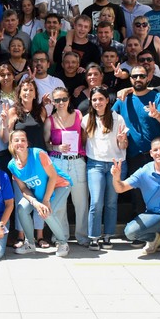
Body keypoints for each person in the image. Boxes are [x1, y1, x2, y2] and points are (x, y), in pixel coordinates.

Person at [111, 66, 160, 208]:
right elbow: (108, 119)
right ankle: (144, 227)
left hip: (156, 155)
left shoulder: (157, 96)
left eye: (142, 76)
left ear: (148, 78)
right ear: (130, 79)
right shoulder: (123, 99)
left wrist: (157, 115)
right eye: (135, 76)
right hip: (133, 154)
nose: (138, 79)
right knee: (137, 194)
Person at [7, 129, 72, 257]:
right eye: (16, 140)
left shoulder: (38, 154)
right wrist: (35, 202)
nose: (20, 143)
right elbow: (23, 189)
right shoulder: (12, 165)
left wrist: (45, 201)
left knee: (46, 212)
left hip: (59, 185)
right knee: (21, 208)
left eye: (23, 140)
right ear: (11, 144)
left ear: (27, 143)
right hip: (37, 192)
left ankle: (63, 243)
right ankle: (30, 244)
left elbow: (53, 177)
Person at [83, 86, 128, 250]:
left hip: (116, 164)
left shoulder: (118, 119)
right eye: (94, 99)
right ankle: (94, 236)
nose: (97, 102)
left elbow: (123, 145)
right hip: (94, 164)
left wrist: (122, 139)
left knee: (111, 202)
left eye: (101, 99)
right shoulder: (87, 119)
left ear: (107, 100)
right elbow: (82, 141)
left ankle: (108, 235)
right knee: (95, 201)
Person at [45, 86, 90, 247]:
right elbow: (45, 144)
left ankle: (82, 236)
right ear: (53, 102)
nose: (61, 102)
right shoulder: (50, 120)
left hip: (78, 161)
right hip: (58, 162)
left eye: (64, 99)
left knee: (81, 201)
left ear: (69, 99)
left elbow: (86, 136)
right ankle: (60, 236)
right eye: (57, 100)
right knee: (60, 202)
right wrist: (56, 147)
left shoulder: (78, 115)